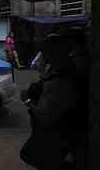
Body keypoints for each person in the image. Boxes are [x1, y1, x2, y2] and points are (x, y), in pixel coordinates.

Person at [20, 29, 87, 170]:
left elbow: (46, 116)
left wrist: (27, 101)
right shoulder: (61, 71)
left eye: (46, 54)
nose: (44, 58)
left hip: (55, 133)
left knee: (31, 155)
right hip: (56, 130)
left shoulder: (62, 81)